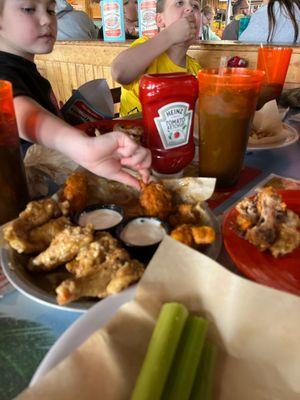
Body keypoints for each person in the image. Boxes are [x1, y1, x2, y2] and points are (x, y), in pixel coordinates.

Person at [0, 0, 151, 190]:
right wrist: (83, 147)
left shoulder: (27, 69)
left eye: (51, 10)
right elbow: (19, 113)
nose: (47, 19)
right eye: (29, 9)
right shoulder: (4, 70)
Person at [111, 0, 201, 116]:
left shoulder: (196, 69)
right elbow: (119, 72)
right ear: (159, 20)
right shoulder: (145, 49)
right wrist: (170, 35)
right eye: (179, 3)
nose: (190, 9)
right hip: (132, 131)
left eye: (195, 6)